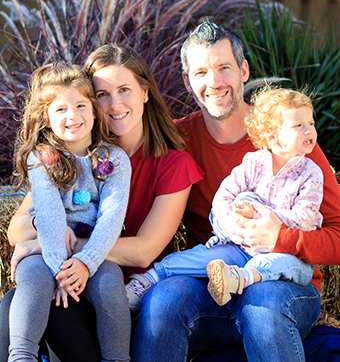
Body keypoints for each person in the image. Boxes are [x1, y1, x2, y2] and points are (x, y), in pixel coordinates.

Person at [129, 21, 340, 362]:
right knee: (163, 301)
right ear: (187, 81)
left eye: (223, 68)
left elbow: (338, 235)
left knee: (262, 307)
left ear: (243, 70)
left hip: (283, 286)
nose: (213, 82)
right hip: (213, 283)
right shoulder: (178, 141)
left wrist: (281, 237)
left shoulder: (292, 140)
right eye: (200, 72)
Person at [0, 44, 204, 362]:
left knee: (55, 309)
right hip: (73, 281)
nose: (114, 103)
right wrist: (47, 234)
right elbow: (17, 231)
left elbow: (143, 251)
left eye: (124, 90)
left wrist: (52, 245)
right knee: (14, 303)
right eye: (102, 94)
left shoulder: (169, 163)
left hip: (131, 296)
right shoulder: (66, 156)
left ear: (145, 93)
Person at [125, 87, 323, 310]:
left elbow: (305, 218)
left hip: (286, 254)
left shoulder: (311, 173)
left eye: (311, 124)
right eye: (299, 125)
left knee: (283, 265)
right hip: (240, 247)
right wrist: (232, 219)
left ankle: (241, 278)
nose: (309, 131)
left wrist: (263, 217)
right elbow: (224, 196)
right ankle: (148, 279)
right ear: (273, 136)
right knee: (201, 256)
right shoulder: (253, 162)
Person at [7, 62, 132, 362]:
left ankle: (117, 359)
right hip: (48, 252)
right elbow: (50, 218)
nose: (72, 116)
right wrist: (60, 273)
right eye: (61, 109)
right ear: (47, 118)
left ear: (93, 110)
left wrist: (85, 264)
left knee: (110, 282)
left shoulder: (113, 159)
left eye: (80, 105)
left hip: (93, 250)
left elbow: (112, 219)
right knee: (33, 278)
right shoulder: (43, 159)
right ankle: (21, 356)